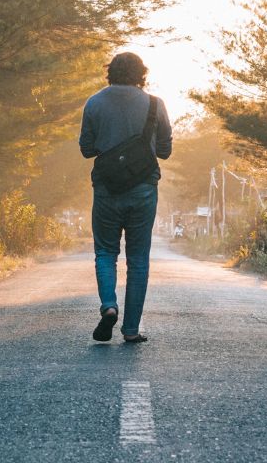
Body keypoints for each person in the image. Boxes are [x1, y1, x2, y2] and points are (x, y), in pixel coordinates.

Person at [78, 52, 172, 343]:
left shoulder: (94, 103)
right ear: (142, 74)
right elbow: (165, 151)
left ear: (110, 73)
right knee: (138, 258)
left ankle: (109, 305)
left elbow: (86, 149)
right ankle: (131, 329)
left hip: (106, 189)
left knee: (106, 252)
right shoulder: (155, 104)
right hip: (143, 190)